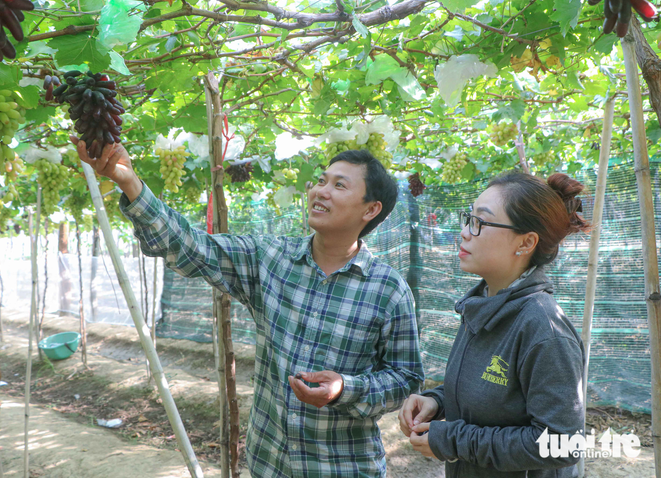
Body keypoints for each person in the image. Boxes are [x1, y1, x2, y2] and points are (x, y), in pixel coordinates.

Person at [74, 138, 424, 478]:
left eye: (339, 185)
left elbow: (405, 377)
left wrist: (345, 389)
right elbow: (192, 248)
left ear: (371, 209)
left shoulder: (388, 289)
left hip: (342, 468)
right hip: (268, 462)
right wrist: (131, 183)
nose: (321, 191)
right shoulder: (270, 259)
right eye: (320, 181)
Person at [398, 172, 590, 478]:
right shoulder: (483, 303)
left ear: (526, 242)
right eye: (468, 218)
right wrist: (438, 401)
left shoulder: (544, 330)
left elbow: (563, 444)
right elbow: (495, 397)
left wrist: (454, 440)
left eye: (480, 223)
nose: (464, 232)